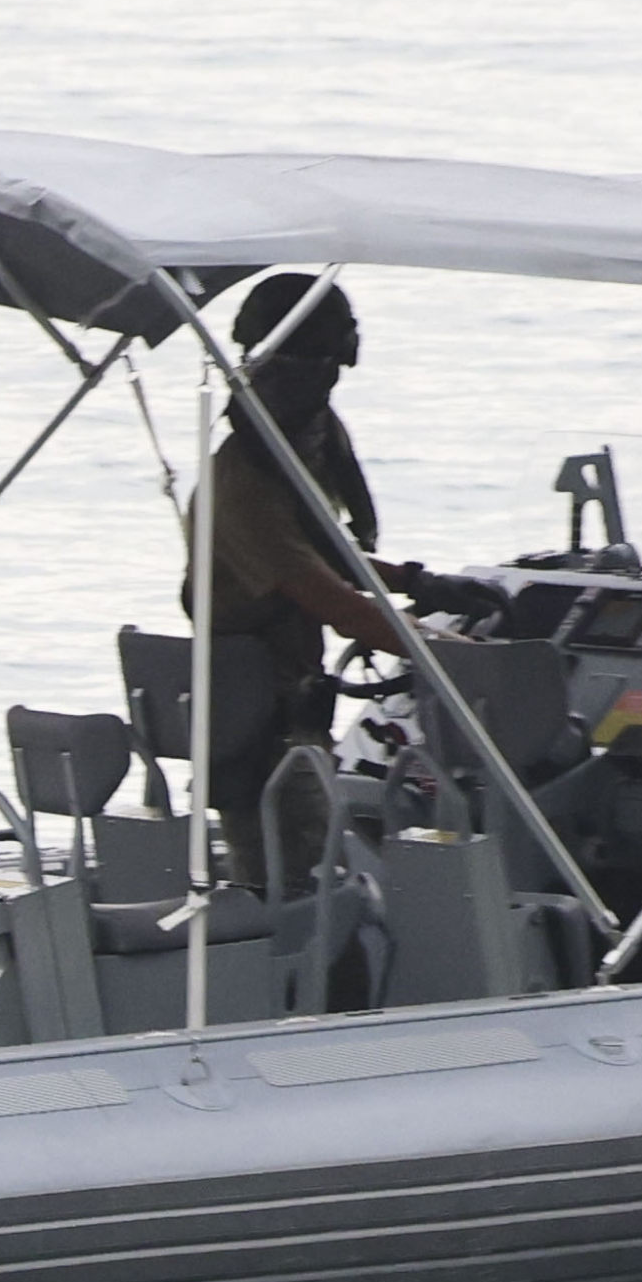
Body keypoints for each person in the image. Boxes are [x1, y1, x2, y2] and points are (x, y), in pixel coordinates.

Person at [186, 275, 416, 885]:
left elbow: (329, 551)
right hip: (261, 735)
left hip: (295, 716)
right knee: (306, 899)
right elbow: (334, 601)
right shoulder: (242, 483)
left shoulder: (302, 450)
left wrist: (426, 586)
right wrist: (445, 650)